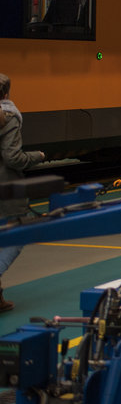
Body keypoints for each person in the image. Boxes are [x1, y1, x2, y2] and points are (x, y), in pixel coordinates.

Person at [0, 73, 46, 312]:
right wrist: (37, 157)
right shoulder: (8, 117)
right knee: (18, 236)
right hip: (5, 189)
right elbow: (13, 158)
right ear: (6, 93)